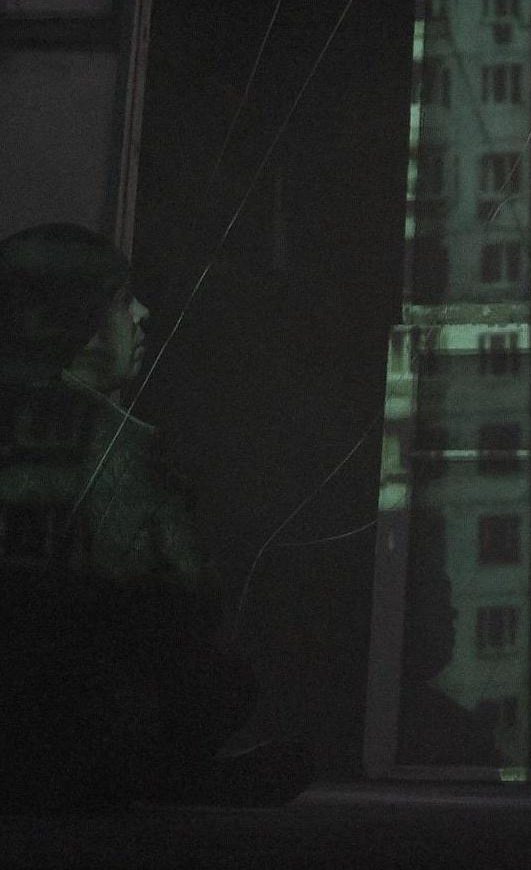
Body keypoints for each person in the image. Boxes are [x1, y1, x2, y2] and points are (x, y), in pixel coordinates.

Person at [0, 223, 309, 809]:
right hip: (74, 722)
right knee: (216, 681)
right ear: (80, 321)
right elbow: (191, 602)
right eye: (122, 300)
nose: (142, 314)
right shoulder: (127, 445)